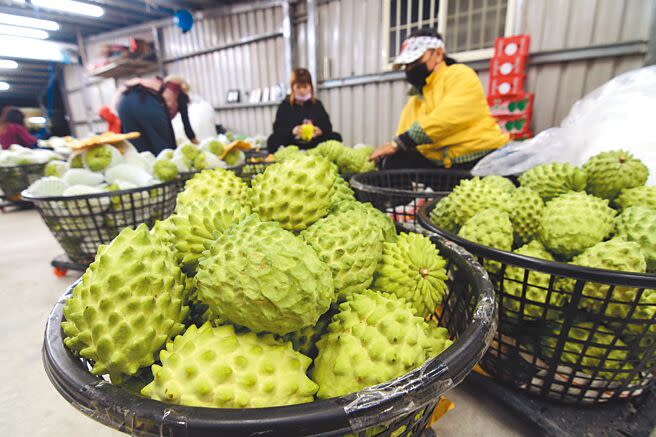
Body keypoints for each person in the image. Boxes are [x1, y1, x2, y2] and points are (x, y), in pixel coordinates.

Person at [370, 29, 509, 170]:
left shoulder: (459, 75)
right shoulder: (416, 100)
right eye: (407, 65)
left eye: (415, 61)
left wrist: (400, 142)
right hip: (441, 163)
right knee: (394, 160)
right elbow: (403, 136)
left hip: (476, 157)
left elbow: (449, 117)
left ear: (437, 54)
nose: (410, 68)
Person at [115, 75, 197, 154]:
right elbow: (185, 121)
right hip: (144, 102)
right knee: (164, 151)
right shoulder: (179, 93)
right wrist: (194, 141)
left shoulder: (155, 85)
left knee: (140, 152)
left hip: (123, 103)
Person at [267, 68, 342, 151]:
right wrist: (293, 131)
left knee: (336, 137)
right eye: (298, 87)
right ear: (292, 88)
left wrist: (319, 131)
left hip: (314, 144)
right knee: (272, 140)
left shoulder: (317, 105)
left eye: (305, 87)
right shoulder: (285, 106)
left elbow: (328, 128)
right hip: (293, 145)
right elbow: (277, 130)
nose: (302, 91)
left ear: (311, 87)